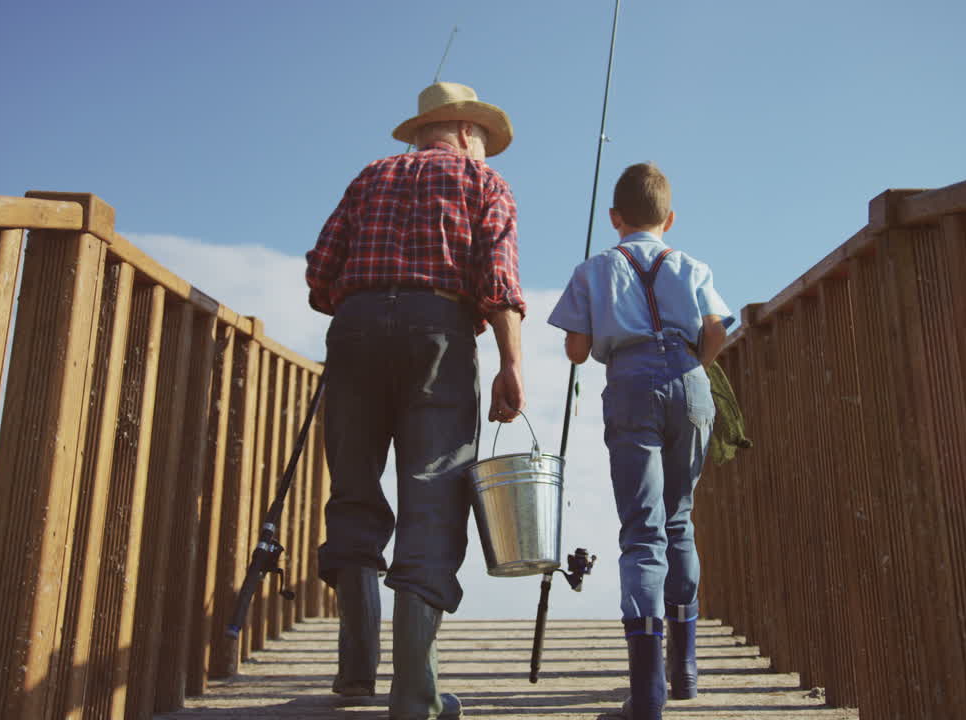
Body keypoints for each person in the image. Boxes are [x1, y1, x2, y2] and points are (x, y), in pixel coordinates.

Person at [305, 80, 526, 720]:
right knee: (433, 493)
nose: (485, 152)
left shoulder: (370, 176)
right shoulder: (484, 184)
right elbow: (499, 283)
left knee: (352, 486)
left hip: (354, 330)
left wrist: (365, 307)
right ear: (462, 131)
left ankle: (353, 674)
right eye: (484, 139)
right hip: (441, 334)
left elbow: (321, 274)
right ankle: (414, 696)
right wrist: (511, 363)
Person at [547, 162, 733, 720]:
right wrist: (689, 366)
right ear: (669, 218)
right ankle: (686, 673)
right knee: (680, 519)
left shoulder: (595, 269)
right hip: (688, 379)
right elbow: (718, 328)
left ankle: (647, 695)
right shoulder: (690, 264)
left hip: (629, 384)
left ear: (614, 218)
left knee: (642, 530)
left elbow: (577, 350)